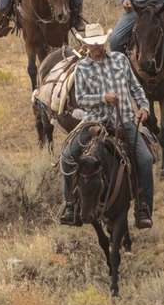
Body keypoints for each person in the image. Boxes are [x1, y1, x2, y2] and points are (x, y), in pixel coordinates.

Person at [60, 23, 155, 230]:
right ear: (86, 45)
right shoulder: (82, 68)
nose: (96, 48)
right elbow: (81, 99)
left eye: (100, 44)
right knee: (68, 157)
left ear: (105, 43)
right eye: (92, 45)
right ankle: (70, 205)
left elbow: (135, 87)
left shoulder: (121, 60)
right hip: (94, 122)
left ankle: (143, 207)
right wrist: (103, 98)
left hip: (125, 120)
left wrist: (144, 107)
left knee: (145, 160)